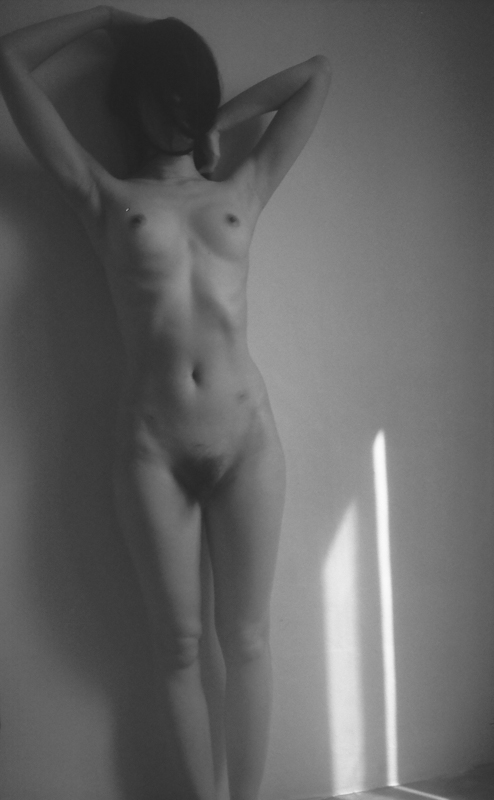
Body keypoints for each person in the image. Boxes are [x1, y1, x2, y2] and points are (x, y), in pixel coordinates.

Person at [0, 7, 330, 800]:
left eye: (189, 93)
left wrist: (219, 122)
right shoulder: (103, 194)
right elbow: (8, 61)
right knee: (178, 649)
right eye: (161, 92)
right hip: (152, 449)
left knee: (247, 640)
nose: (175, 107)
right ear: (131, 99)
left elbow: (317, 76)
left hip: (247, 439)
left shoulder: (243, 187)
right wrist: (108, 17)